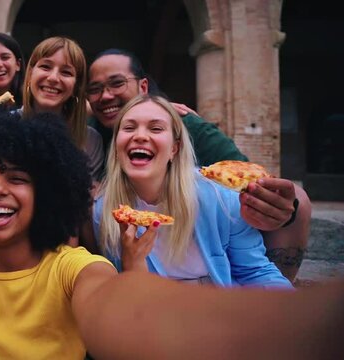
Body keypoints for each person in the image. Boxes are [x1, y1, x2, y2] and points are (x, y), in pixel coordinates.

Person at [0, 109, 344, 359]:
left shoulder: (74, 268)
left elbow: (119, 309)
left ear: (48, 194)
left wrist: (308, 328)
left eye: (17, 178)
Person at [87, 48, 310, 281]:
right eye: (94, 89)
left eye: (117, 83)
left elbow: (247, 182)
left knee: (298, 201)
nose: (104, 96)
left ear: (177, 146)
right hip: (151, 298)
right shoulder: (103, 205)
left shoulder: (195, 138)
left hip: (222, 266)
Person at [93, 94, 291, 288]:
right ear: (117, 146)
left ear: (174, 149)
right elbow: (127, 299)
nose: (140, 136)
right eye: (129, 128)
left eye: (155, 128)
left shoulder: (221, 197)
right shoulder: (106, 211)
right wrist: (132, 266)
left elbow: (255, 272)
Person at [21, 36, 104, 181]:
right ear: (29, 74)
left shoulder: (90, 140)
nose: (53, 78)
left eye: (66, 72)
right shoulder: (3, 126)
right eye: (45, 67)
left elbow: (88, 199)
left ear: (76, 86)